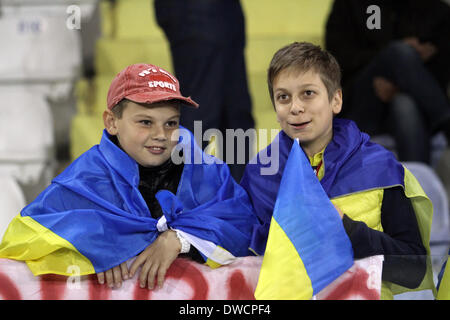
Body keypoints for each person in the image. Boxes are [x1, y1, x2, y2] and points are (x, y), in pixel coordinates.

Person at [0, 63, 259, 290]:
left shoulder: (205, 169)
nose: (161, 134)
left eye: (171, 123)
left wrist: (179, 240)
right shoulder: (85, 179)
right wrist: (95, 247)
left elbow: (240, 224)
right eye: (145, 122)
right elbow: (22, 238)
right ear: (112, 122)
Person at [240, 42, 435, 299]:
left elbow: (414, 269)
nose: (295, 107)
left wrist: (347, 230)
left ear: (336, 100)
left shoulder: (379, 166)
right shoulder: (259, 174)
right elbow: (239, 254)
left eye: (308, 93)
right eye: (283, 97)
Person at [325, 0, 450, 164]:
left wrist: (400, 85)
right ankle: (446, 121)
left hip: (414, 103)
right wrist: (385, 60)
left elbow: (441, 72)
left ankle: (417, 184)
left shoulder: (435, 10)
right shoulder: (350, 5)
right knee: (400, 52)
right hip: (361, 100)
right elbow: (336, 60)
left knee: (404, 104)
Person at [154, 0, 255, 182]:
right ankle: (180, 196)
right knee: (202, 111)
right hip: (200, 10)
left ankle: (237, 199)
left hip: (215, 11)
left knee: (234, 113)